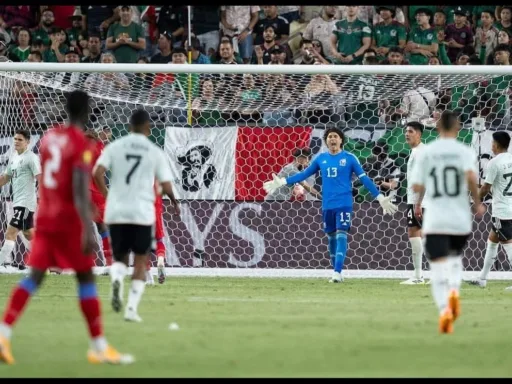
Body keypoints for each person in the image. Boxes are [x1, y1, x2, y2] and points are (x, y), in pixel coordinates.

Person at [0, 90, 133, 365]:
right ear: (86, 112)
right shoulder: (81, 144)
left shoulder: (49, 138)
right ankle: (98, 346)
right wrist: (87, 224)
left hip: (46, 215)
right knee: (86, 279)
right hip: (68, 220)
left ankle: (3, 334)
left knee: (34, 278)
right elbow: (78, 184)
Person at [263, 127, 397, 283]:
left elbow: (365, 179)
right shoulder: (321, 159)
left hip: (344, 203)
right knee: (331, 238)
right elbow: (304, 175)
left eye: (335, 136)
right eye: (329, 137)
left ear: (341, 140)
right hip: (327, 204)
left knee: (342, 234)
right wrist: (283, 181)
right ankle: (336, 272)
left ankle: (337, 272)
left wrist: (380, 197)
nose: (332, 139)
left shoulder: (350, 158)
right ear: (326, 141)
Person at [93, 109, 180, 323]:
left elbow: (97, 172)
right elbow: (166, 183)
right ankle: (131, 308)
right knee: (141, 260)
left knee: (121, 257)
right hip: (141, 210)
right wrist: (174, 201)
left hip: (119, 208)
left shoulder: (114, 147)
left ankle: (116, 286)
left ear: (129, 127)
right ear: (147, 127)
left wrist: (107, 194)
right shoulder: (153, 151)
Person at [409, 110, 485, 334]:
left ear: (437, 127)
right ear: (458, 127)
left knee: (438, 264)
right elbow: (472, 178)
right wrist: (477, 202)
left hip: (436, 215)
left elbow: (416, 186)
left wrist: (422, 195)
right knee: (455, 258)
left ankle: (444, 310)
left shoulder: (427, 152)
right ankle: (454, 290)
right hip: (459, 217)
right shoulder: (465, 151)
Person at [469, 132, 512, 289]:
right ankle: (482, 279)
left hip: (501, 211)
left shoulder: (494, 163)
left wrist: (476, 198)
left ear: (497, 144)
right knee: (492, 242)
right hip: (510, 206)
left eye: (492, 142)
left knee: (508, 244)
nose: (491, 145)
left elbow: (486, 188)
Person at [0, 130, 41, 271]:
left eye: (20, 139)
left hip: (26, 202)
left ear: (28, 142)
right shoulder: (13, 157)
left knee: (10, 233)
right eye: (15, 139)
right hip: (17, 201)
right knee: (28, 233)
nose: (16, 141)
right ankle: (46, 259)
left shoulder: (31, 158)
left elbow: (40, 178)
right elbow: (5, 177)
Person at [84, 127, 113, 272]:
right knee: (102, 227)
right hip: (97, 192)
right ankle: (109, 263)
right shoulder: (100, 147)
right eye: (106, 133)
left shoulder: (82, 147)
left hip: (82, 191)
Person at [401, 122, 427, 285]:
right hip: (421, 200)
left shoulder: (420, 153)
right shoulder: (418, 151)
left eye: (410, 131)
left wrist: (418, 203)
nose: (406, 134)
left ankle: (418, 276)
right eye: (405, 131)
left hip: (419, 200)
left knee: (413, 233)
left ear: (419, 134)